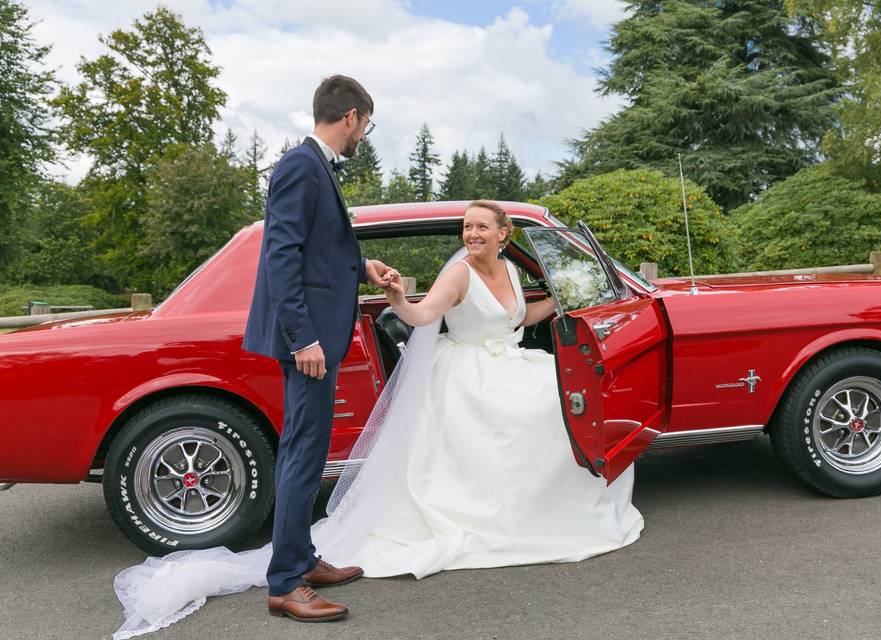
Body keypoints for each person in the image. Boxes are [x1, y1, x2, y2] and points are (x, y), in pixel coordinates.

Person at [110, 201, 641, 638]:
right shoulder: (457, 273)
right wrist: (394, 297)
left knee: (553, 403)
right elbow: (423, 315)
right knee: (544, 409)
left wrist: (567, 299)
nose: (471, 233)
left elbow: (522, 315)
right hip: (469, 374)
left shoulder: (507, 271)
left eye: (481, 227)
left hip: (505, 363)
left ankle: (534, 505)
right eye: (467, 227)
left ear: (504, 236)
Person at [241, 74, 395, 622]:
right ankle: (285, 583)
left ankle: (302, 559)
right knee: (304, 452)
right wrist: (302, 337)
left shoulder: (313, 167)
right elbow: (280, 256)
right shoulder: (300, 165)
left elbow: (316, 254)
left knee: (305, 448)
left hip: (316, 336)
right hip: (308, 341)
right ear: (350, 115)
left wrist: (363, 266)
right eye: (365, 124)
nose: (364, 135)